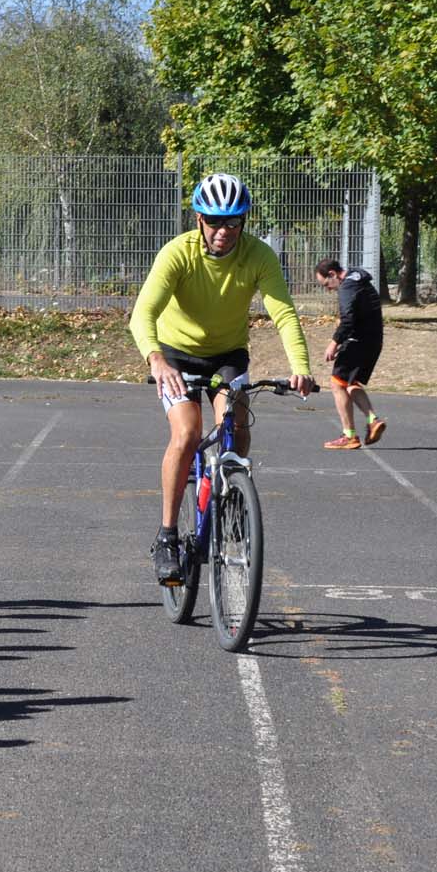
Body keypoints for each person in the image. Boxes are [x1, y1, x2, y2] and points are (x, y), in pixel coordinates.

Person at [130, 173, 317, 584]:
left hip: (227, 357)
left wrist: (300, 366)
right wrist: (156, 360)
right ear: (199, 218)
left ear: (244, 222)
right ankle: (166, 537)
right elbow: (142, 314)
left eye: (233, 223)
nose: (223, 231)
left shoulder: (258, 256)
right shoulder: (177, 254)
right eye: (215, 221)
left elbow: (282, 312)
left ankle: (233, 495)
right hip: (176, 356)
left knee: (235, 422)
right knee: (187, 433)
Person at [314, 259, 386, 449]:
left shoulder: (347, 287)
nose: (329, 289)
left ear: (332, 274)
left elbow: (348, 319)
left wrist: (334, 343)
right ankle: (373, 420)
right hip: (374, 342)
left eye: (326, 285)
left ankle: (349, 436)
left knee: (336, 383)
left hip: (358, 342)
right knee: (349, 383)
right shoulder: (360, 280)